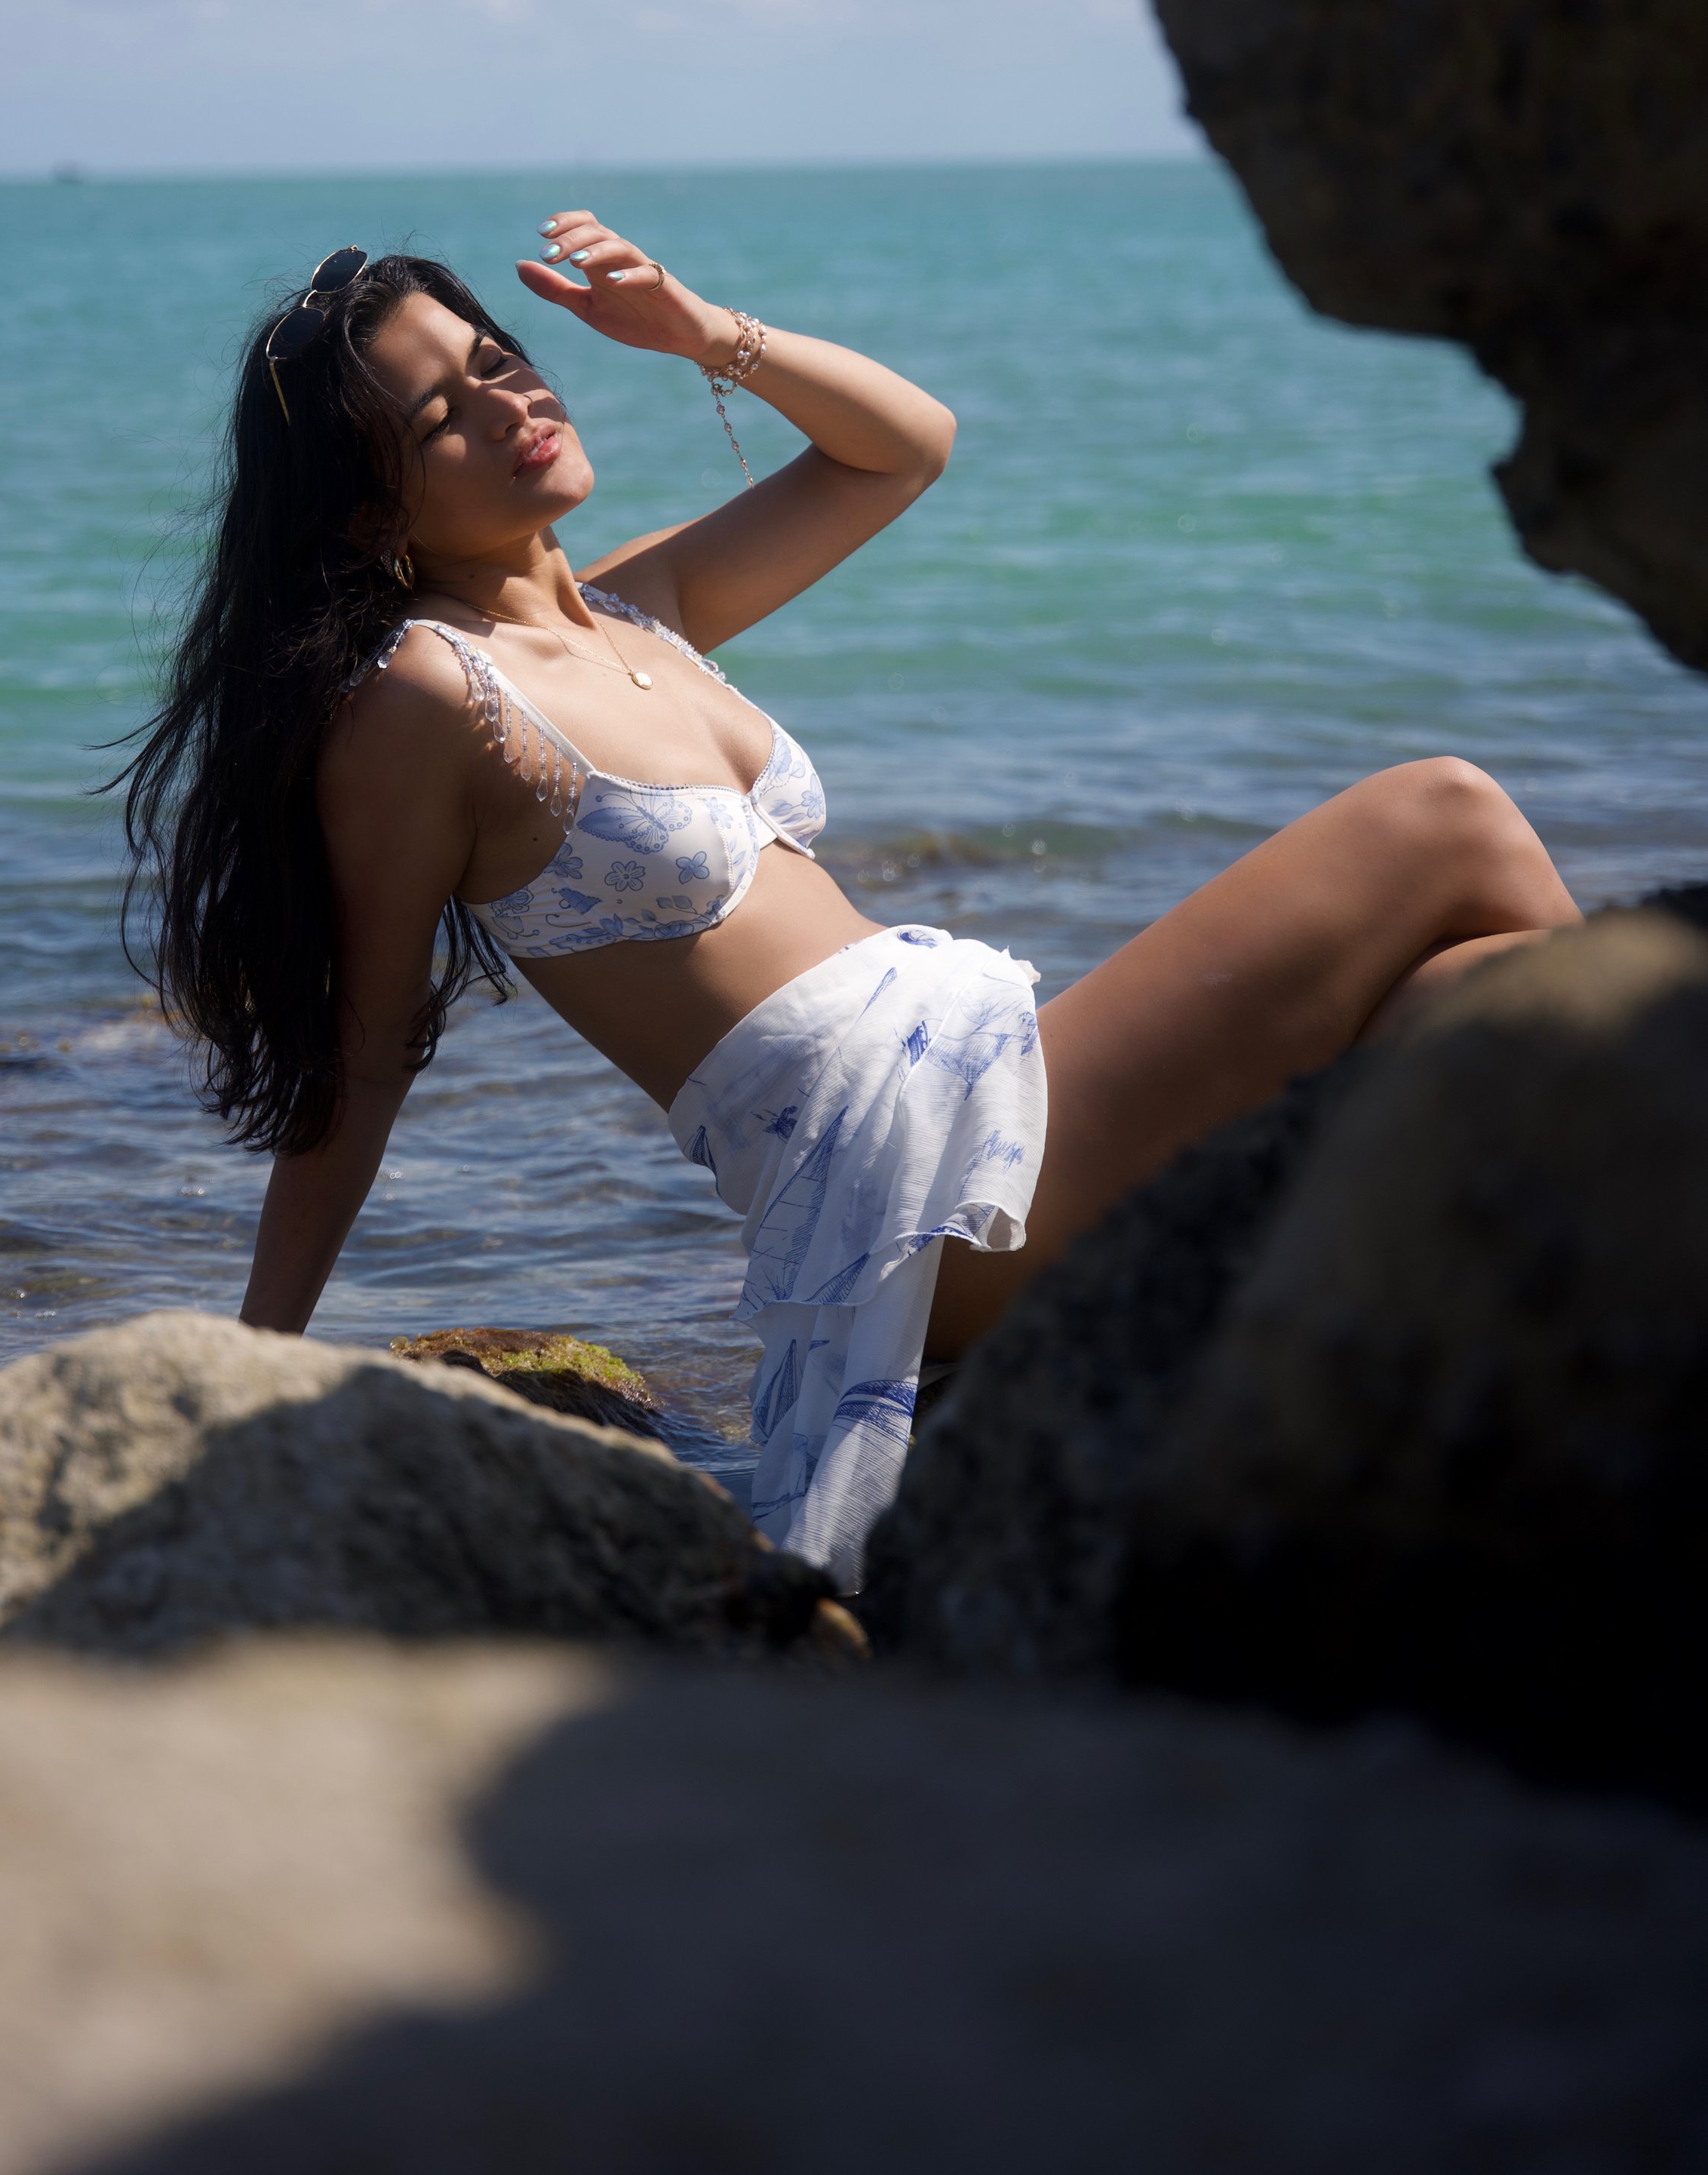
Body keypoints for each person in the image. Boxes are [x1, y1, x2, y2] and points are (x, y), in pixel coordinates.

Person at [124, 220, 1579, 1590]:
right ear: (370, 503)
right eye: (441, 412)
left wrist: (698, 329)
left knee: (1472, 995)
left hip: (981, 1087)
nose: (507, 403)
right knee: (1443, 810)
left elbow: (905, 447)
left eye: (498, 359)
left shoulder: (639, 613)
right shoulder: (426, 693)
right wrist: (248, 1375)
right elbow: (365, 1053)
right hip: (908, 1190)